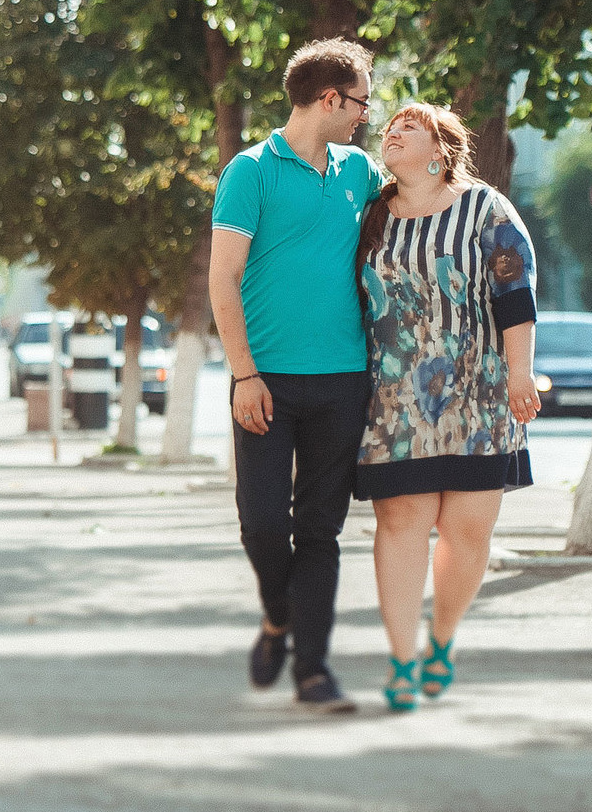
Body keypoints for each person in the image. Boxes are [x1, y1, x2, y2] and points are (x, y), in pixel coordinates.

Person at [209, 37, 379, 714]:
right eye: (362, 100)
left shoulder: (359, 171)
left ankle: (312, 669)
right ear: (331, 98)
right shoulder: (251, 172)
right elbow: (224, 278)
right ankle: (278, 615)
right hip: (266, 382)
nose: (367, 114)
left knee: (319, 529)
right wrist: (245, 374)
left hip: (343, 381)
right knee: (259, 523)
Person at [354, 103, 540, 710]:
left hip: (480, 397)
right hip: (394, 402)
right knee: (401, 525)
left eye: (410, 127)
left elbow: (516, 292)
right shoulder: (371, 216)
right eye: (390, 127)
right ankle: (402, 660)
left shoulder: (486, 209)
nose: (394, 133)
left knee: (465, 533)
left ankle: (442, 638)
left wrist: (521, 374)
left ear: (442, 149)